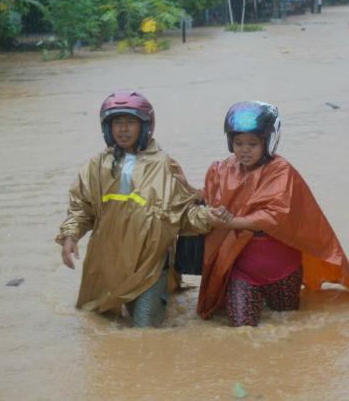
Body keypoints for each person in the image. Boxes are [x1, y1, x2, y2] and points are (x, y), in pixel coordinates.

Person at [174, 101, 349, 327]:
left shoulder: (281, 171)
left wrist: (234, 221)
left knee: (288, 325)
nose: (245, 149)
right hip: (242, 270)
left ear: (267, 143)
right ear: (230, 142)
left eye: (252, 144)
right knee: (241, 330)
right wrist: (188, 188)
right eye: (238, 143)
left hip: (284, 270)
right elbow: (213, 198)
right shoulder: (223, 169)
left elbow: (275, 215)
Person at [56, 90, 224, 328]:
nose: (123, 129)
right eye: (117, 123)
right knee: (98, 324)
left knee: (144, 330)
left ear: (145, 126)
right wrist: (70, 236)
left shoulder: (163, 163)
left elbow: (182, 213)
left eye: (130, 122)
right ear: (107, 127)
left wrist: (210, 216)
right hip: (107, 262)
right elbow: (82, 208)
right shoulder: (96, 165)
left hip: (150, 262)